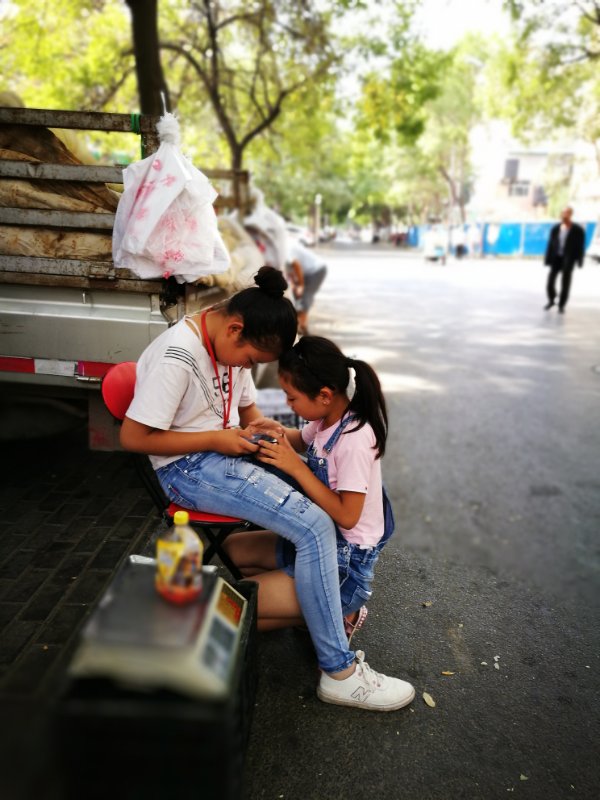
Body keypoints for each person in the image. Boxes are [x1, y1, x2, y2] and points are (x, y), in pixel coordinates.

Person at [120, 266, 414, 711]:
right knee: (314, 523)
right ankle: (339, 671)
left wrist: (264, 433)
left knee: (288, 518)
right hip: (189, 466)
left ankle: (306, 595)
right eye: (253, 362)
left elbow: (247, 413)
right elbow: (134, 438)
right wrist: (220, 439)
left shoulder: (227, 346)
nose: (249, 370)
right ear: (235, 329)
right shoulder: (178, 356)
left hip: (221, 452)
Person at [225, 335, 415, 709]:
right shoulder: (328, 418)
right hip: (316, 536)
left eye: (292, 398)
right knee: (233, 551)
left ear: (325, 394)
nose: (289, 404)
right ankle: (306, 614)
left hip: (345, 564)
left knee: (237, 611)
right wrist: (277, 433)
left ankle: (341, 612)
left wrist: (295, 466)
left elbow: (347, 514)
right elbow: (301, 438)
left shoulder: (356, 437)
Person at [543, 206, 585, 313]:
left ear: (571, 214)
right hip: (556, 258)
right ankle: (552, 299)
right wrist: (547, 259)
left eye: (567, 213)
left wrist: (580, 261)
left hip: (569, 259)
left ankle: (561, 305)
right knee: (550, 282)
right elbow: (550, 245)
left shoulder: (578, 230)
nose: (564, 215)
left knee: (565, 283)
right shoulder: (555, 229)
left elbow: (580, 247)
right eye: (563, 213)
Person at [285, 238, 327, 335]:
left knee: (304, 297)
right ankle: (302, 326)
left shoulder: (285, 248)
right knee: (299, 297)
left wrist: (301, 285)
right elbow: (290, 270)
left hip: (316, 270)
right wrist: (295, 283)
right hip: (309, 271)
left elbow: (296, 265)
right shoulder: (281, 247)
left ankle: (302, 328)